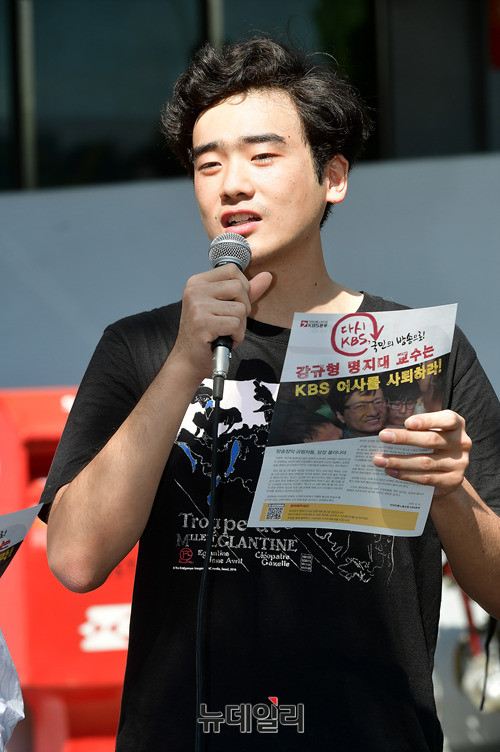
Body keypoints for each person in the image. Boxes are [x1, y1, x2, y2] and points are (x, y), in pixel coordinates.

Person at [40, 37, 500, 751]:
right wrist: (185, 363)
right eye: (209, 164)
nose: (232, 185)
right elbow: (74, 560)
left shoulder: (418, 351)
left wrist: (448, 489)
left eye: (262, 156)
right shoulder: (142, 348)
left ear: (333, 177)